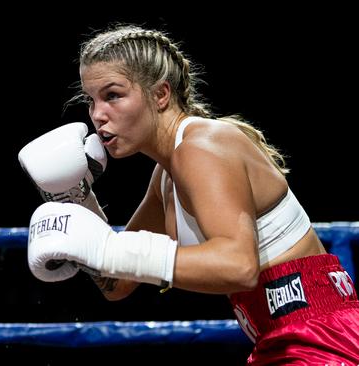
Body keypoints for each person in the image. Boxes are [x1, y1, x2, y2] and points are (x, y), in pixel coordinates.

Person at [19, 24, 359, 364]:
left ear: (161, 94)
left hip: (320, 335)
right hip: (283, 338)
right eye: (91, 100)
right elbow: (118, 283)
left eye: (113, 95)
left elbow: (239, 267)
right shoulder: (166, 176)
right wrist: (77, 202)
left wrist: (112, 248)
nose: (97, 114)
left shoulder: (201, 147)